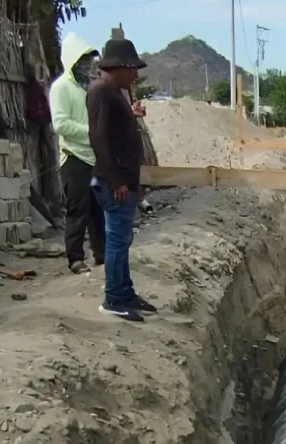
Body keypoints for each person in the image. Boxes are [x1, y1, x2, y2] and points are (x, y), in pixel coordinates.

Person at [87, 38, 156, 322]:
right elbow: (99, 139)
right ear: (118, 67)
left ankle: (125, 292)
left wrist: (134, 182)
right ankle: (114, 298)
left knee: (122, 239)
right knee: (116, 241)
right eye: (132, 68)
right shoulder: (101, 92)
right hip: (113, 183)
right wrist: (116, 181)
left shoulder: (114, 92)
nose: (136, 75)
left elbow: (121, 136)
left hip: (124, 182)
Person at [48, 34, 105, 274]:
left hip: (93, 156)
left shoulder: (87, 89)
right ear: (72, 60)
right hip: (74, 157)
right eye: (82, 60)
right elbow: (61, 125)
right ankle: (75, 259)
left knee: (97, 210)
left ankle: (102, 255)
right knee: (77, 210)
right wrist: (92, 132)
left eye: (88, 60)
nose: (86, 65)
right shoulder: (61, 88)